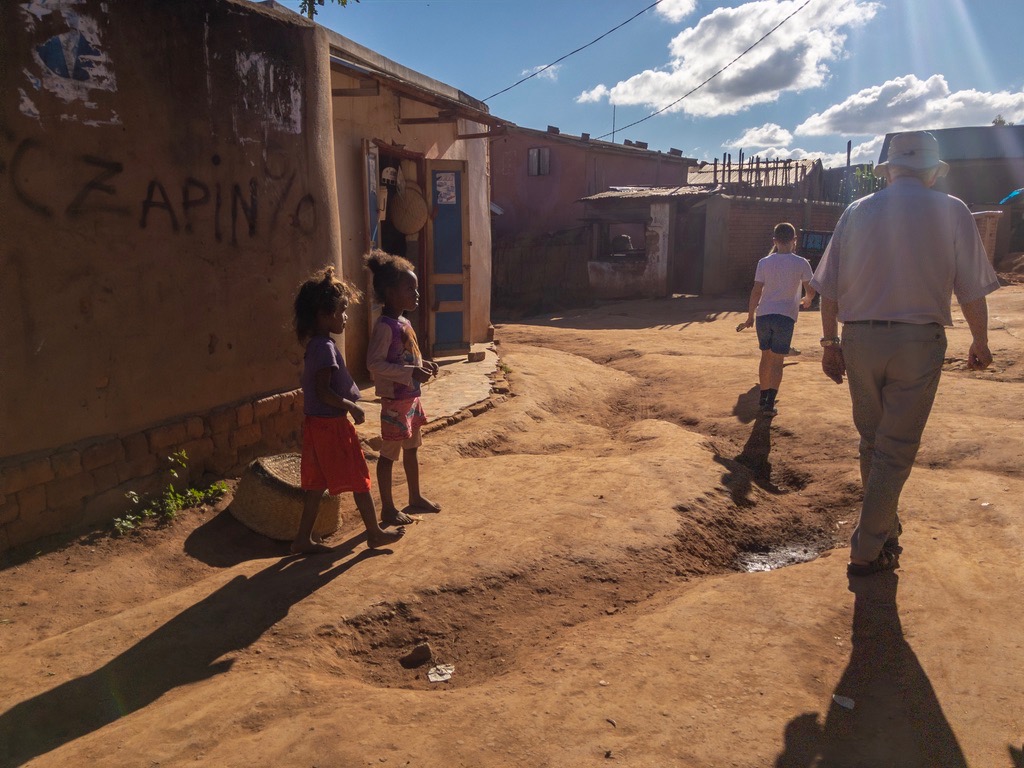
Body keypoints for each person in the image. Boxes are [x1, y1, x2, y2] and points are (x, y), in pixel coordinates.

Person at [809, 131, 999, 578]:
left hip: (859, 340)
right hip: (918, 342)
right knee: (895, 449)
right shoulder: (952, 210)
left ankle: (885, 531)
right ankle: (866, 548)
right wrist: (981, 340)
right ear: (933, 171)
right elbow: (970, 288)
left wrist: (829, 343)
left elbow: (828, 288)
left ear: (889, 170)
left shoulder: (857, 211)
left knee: (873, 442)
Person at [291, 266, 405, 554]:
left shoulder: (316, 344)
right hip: (332, 425)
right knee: (359, 476)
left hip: (316, 425)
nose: (345, 316)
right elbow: (324, 391)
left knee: (317, 484)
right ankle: (374, 533)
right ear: (323, 313)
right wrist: (351, 406)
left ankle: (303, 539)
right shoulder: (325, 347)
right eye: (341, 310)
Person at [364, 249, 441, 527]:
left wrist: (425, 364)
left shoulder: (404, 322)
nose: (416, 294)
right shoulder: (385, 326)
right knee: (388, 455)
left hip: (411, 398)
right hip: (395, 401)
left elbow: (408, 355)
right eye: (410, 288)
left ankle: (415, 496)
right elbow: (374, 363)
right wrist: (411, 372)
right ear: (389, 292)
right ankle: (387, 508)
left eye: (416, 288)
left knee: (412, 449)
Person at [741, 222, 816, 416]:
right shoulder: (802, 263)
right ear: (794, 241)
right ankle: (769, 404)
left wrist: (750, 316)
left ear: (774, 240)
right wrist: (807, 300)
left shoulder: (764, 262)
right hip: (785, 317)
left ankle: (763, 397)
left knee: (765, 357)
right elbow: (811, 290)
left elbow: (756, 291)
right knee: (777, 360)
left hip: (764, 315)